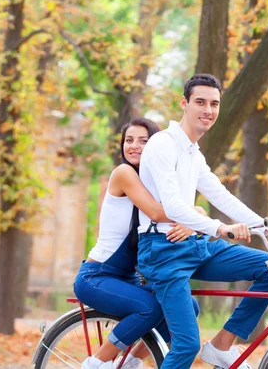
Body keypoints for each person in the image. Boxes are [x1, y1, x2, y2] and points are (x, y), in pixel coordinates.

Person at [136, 74, 268, 369]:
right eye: (200, 102)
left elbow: (221, 196)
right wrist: (220, 228)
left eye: (214, 104)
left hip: (195, 245)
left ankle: (222, 346)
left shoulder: (194, 154)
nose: (208, 110)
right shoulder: (163, 144)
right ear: (184, 104)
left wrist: (266, 226)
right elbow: (171, 206)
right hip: (163, 250)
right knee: (186, 345)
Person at [74, 118, 201, 369]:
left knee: (189, 307)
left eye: (143, 141)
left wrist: (193, 220)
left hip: (127, 280)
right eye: (129, 141)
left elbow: (179, 211)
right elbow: (156, 212)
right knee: (151, 307)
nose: (134, 146)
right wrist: (198, 217)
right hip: (97, 276)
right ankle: (96, 363)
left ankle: (130, 361)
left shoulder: (158, 184)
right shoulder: (124, 174)